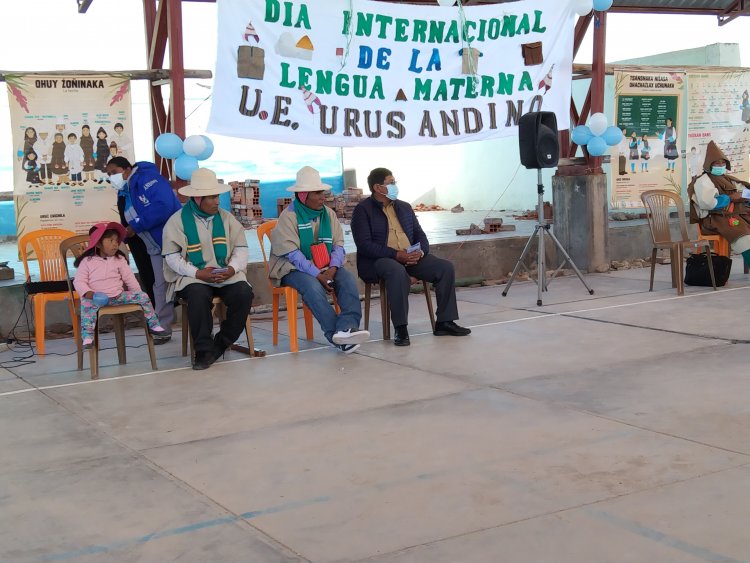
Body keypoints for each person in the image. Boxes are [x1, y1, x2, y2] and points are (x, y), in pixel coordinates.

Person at [351, 167, 471, 347]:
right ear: (377, 187)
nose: (394, 186)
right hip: (380, 260)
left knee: (445, 267)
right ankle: (401, 328)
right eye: (391, 183)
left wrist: (420, 252)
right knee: (396, 271)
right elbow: (365, 245)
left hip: (410, 257)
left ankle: (444, 322)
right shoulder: (363, 210)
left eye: (394, 183)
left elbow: (420, 235)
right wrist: (396, 255)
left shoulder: (404, 207)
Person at [268, 166, 370, 354]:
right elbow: (293, 256)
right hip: (290, 268)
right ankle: (337, 335)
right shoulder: (288, 217)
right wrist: (317, 274)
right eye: (318, 193)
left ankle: (347, 327)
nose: (323, 197)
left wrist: (331, 269)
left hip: (325, 266)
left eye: (323, 192)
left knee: (346, 278)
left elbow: (338, 246)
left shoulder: (328, 214)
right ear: (303, 196)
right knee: (312, 286)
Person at [162, 168, 254, 370]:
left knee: (243, 293)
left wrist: (231, 268)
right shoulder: (176, 221)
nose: (217, 201)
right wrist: (197, 273)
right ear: (197, 199)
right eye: (211, 197)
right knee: (197, 294)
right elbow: (172, 257)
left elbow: (240, 249)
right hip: (193, 276)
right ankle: (203, 350)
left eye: (217, 196)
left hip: (225, 274)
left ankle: (221, 342)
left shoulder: (227, 218)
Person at [105, 156, 182, 343]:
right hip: (153, 246)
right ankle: (162, 328)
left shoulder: (147, 179)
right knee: (159, 285)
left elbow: (162, 207)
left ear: (126, 169)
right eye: (108, 175)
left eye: (114, 172)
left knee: (185, 282)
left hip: (172, 241)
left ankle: (195, 324)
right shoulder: (126, 189)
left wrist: (135, 226)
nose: (111, 177)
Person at [73, 222, 166, 349]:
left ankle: (154, 324)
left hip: (118, 297)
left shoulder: (119, 260)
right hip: (96, 299)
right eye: (110, 241)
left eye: (117, 241)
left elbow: (130, 279)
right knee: (86, 306)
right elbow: (78, 281)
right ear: (99, 243)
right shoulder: (87, 262)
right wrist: (90, 294)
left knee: (143, 296)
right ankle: (88, 337)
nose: (115, 244)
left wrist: (137, 293)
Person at [689, 141, 750, 270]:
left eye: (723, 163)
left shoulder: (728, 179)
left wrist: (745, 196)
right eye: (717, 163)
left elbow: (744, 192)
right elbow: (708, 203)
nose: (720, 166)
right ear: (709, 165)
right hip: (716, 218)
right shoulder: (703, 181)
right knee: (743, 235)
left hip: (737, 214)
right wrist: (730, 198)